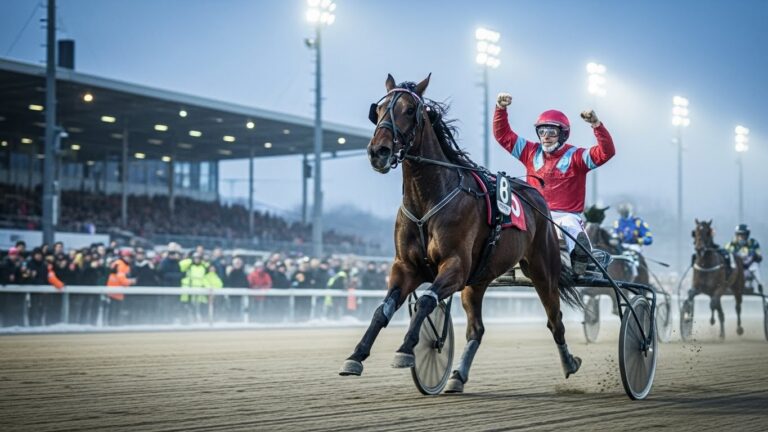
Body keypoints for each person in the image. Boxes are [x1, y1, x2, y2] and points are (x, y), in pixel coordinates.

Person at [494, 92, 615, 274]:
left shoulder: (577, 156)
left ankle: (582, 260)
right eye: (541, 131)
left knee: (571, 225)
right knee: (510, 217)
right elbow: (503, 136)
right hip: (535, 213)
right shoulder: (529, 151)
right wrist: (500, 109)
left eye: (551, 132)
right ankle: (503, 256)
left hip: (565, 216)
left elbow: (607, 152)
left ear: (563, 134)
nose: (545, 136)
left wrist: (596, 125)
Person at [612, 203, 653, 278]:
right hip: (620, 248)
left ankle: (634, 277)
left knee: (632, 261)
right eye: (622, 212)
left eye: (625, 212)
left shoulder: (638, 222)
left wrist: (638, 240)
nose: (623, 214)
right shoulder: (617, 223)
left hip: (634, 248)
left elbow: (649, 239)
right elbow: (614, 235)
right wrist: (615, 238)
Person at [726, 224, 763, 293]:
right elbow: (726, 256)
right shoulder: (731, 244)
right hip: (735, 268)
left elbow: (759, 256)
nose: (741, 237)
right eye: (739, 235)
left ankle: (759, 285)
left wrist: (755, 256)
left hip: (748, 267)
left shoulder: (753, 243)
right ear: (736, 235)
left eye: (743, 235)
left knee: (755, 266)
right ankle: (727, 285)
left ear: (747, 235)